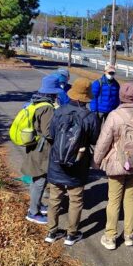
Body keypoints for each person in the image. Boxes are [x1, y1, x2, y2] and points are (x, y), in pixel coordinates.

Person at [93, 82, 133, 250]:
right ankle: (129, 235)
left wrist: (96, 161)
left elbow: (104, 142)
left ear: (121, 96)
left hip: (117, 162)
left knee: (114, 200)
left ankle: (110, 237)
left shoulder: (114, 115)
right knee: (130, 199)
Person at [45, 78, 100, 246]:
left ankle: (52, 232)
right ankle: (71, 234)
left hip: (57, 161)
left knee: (55, 198)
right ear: (86, 97)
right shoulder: (90, 117)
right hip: (78, 163)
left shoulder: (59, 111)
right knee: (75, 200)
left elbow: (52, 134)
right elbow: (94, 139)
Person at [21, 74, 62, 224]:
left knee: (35, 179)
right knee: (40, 180)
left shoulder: (36, 102)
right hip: (42, 149)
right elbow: (48, 132)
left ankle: (36, 205)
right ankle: (33, 212)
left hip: (34, 145)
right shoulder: (47, 108)